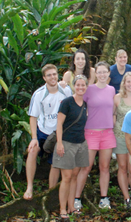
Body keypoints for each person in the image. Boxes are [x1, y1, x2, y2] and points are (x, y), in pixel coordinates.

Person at [23, 64, 72, 200]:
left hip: (58, 132)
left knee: (56, 160)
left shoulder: (66, 91)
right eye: (49, 75)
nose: (52, 77)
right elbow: (33, 117)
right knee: (33, 150)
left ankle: (51, 192)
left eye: (54, 74)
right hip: (43, 130)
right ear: (44, 78)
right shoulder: (39, 94)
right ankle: (30, 187)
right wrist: (34, 138)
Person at [74, 61, 116, 210]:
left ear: (109, 74)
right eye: (100, 72)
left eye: (105, 72)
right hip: (90, 133)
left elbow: (114, 110)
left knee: (104, 167)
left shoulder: (112, 90)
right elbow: (77, 102)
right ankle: (76, 198)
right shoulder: (89, 89)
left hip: (107, 133)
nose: (102, 75)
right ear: (95, 74)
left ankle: (104, 198)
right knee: (86, 166)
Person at [53, 75, 89, 219]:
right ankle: (62, 209)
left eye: (83, 85)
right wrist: (60, 143)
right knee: (66, 177)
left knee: (75, 176)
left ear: (86, 87)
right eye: (78, 85)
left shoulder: (86, 104)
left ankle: (71, 206)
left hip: (81, 143)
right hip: (67, 143)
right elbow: (59, 124)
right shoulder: (67, 102)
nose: (80, 87)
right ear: (74, 86)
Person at [113, 72, 131, 208]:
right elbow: (113, 115)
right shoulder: (117, 98)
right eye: (128, 82)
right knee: (122, 167)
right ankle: (127, 198)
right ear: (124, 83)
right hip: (120, 136)